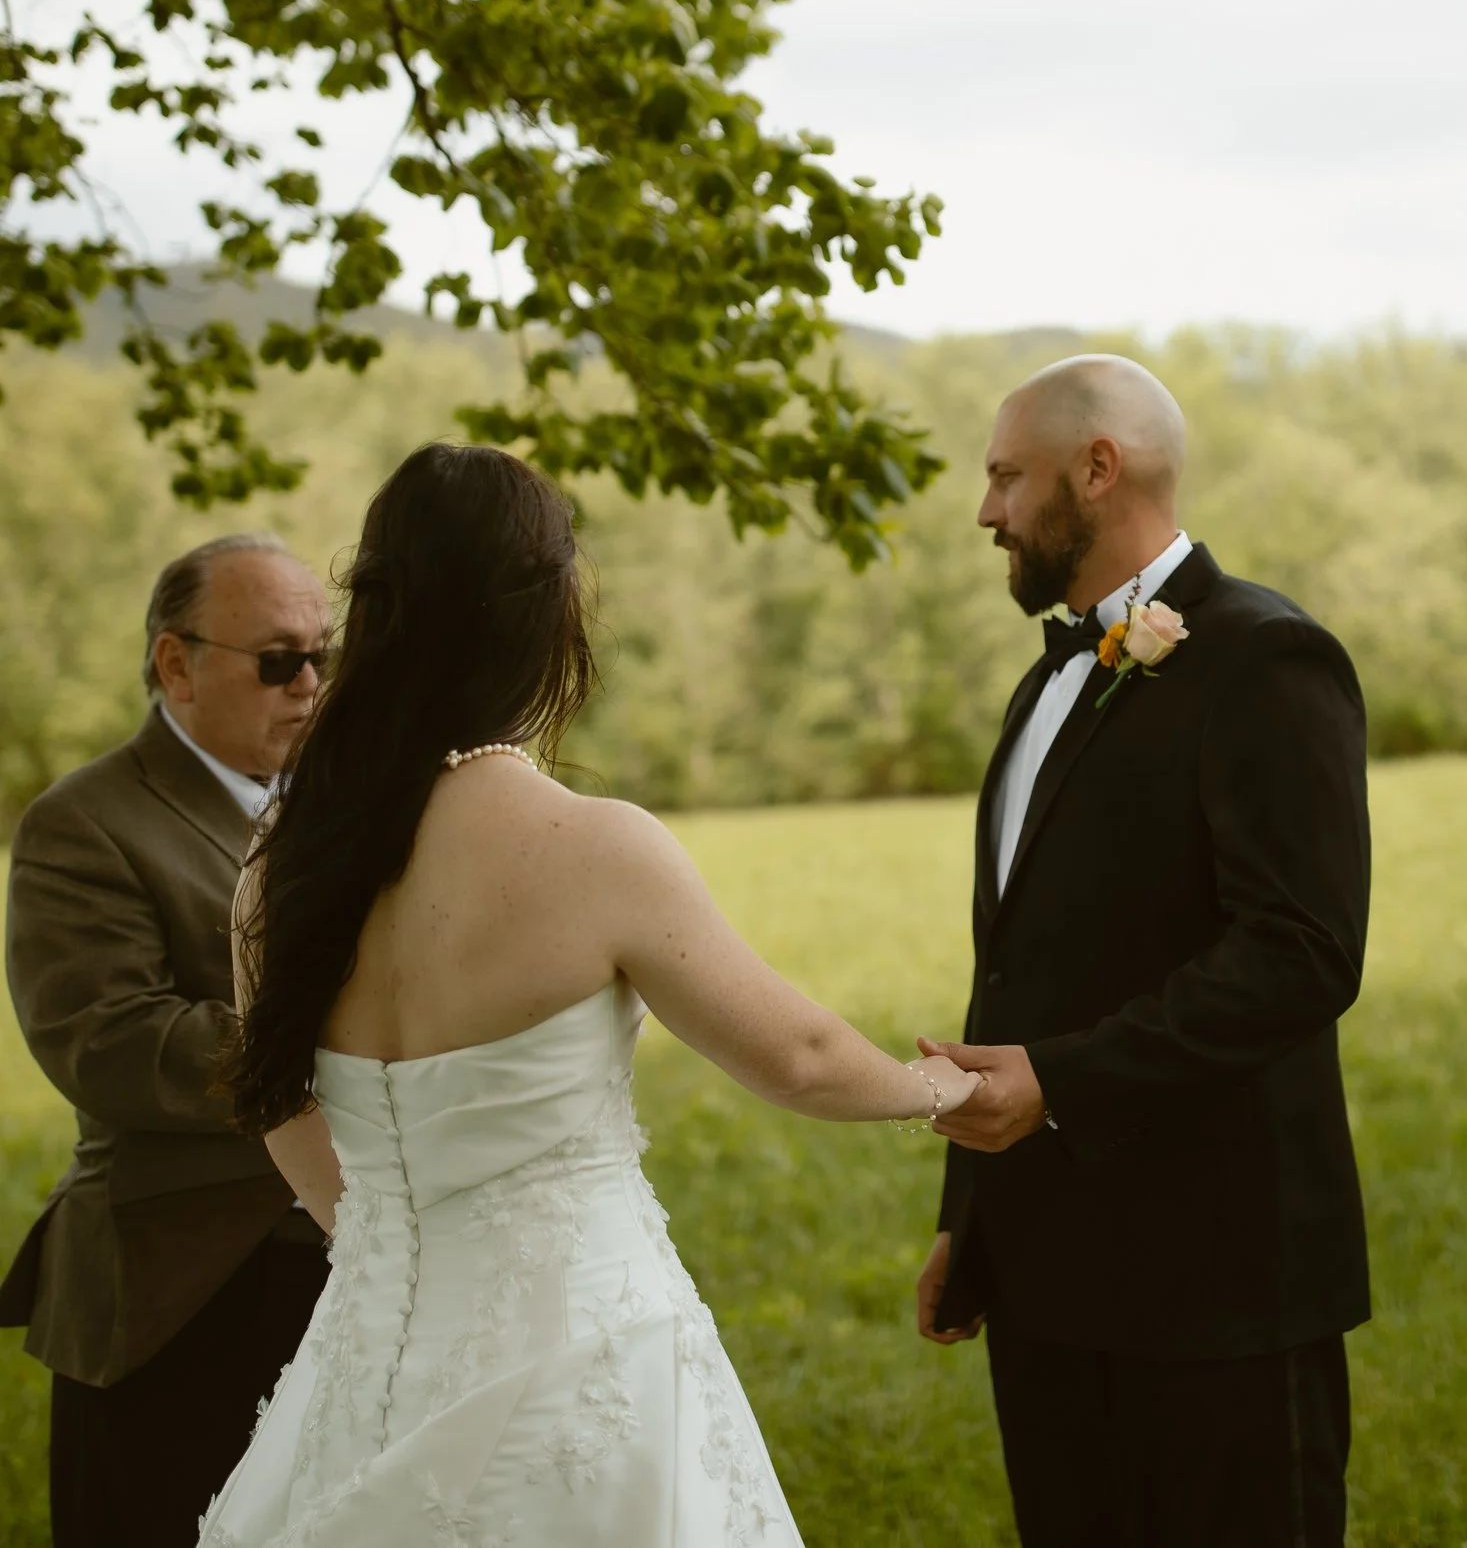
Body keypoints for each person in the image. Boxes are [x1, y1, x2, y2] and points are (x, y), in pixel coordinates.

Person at [194, 443, 979, 1548]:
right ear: (542, 618)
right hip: (582, 1349)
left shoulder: (278, 862)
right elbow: (796, 1052)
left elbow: (282, 1106)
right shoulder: (590, 844)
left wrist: (393, 1249)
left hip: (363, 1361)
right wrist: (938, 1088)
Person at [916, 356, 1374, 1547]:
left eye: (1005, 476)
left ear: (1097, 467)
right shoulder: (1044, 682)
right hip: (1051, 1283)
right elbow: (1020, 969)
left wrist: (1060, 1080)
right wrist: (975, 1216)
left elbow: (1301, 951)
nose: (985, 511)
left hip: (1219, 1285)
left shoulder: (1268, 658)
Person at [0, 532, 335, 1548]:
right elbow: (110, 1041)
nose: (308, 684)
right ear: (176, 665)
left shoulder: (346, 810)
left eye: (323, 655)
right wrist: (346, 1052)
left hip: (344, 1262)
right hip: (177, 1286)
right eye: (277, 659)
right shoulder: (83, 822)